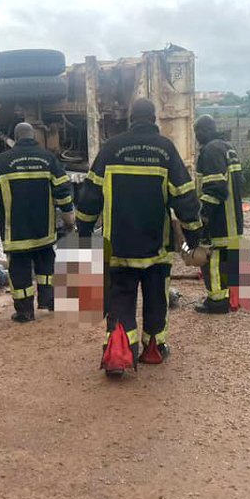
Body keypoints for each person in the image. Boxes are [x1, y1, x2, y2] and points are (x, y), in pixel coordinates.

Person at [76, 98, 203, 373]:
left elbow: (88, 197)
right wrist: (193, 238)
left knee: (120, 298)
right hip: (155, 248)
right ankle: (154, 349)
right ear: (154, 118)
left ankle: (119, 352)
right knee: (157, 298)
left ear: (130, 118)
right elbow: (185, 198)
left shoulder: (111, 149)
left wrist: (84, 232)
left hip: (119, 246)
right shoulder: (165, 150)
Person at [0, 122, 75, 322]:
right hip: (44, 228)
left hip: (16, 230)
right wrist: (68, 216)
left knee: (19, 269)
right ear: (34, 137)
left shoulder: (2, 161)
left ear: (16, 137)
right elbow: (63, 189)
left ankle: (25, 312)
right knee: (46, 265)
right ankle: (49, 301)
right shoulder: (48, 159)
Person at [192, 114, 244, 314]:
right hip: (233, 218)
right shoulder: (227, 147)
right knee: (226, 261)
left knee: (212, 260)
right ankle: (229, 298)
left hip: (220, 220)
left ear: (204, 131)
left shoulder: (211, 150)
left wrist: (203, 216)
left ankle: (216, 302)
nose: (197, 137)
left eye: (198, 132)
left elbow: (215, 188)